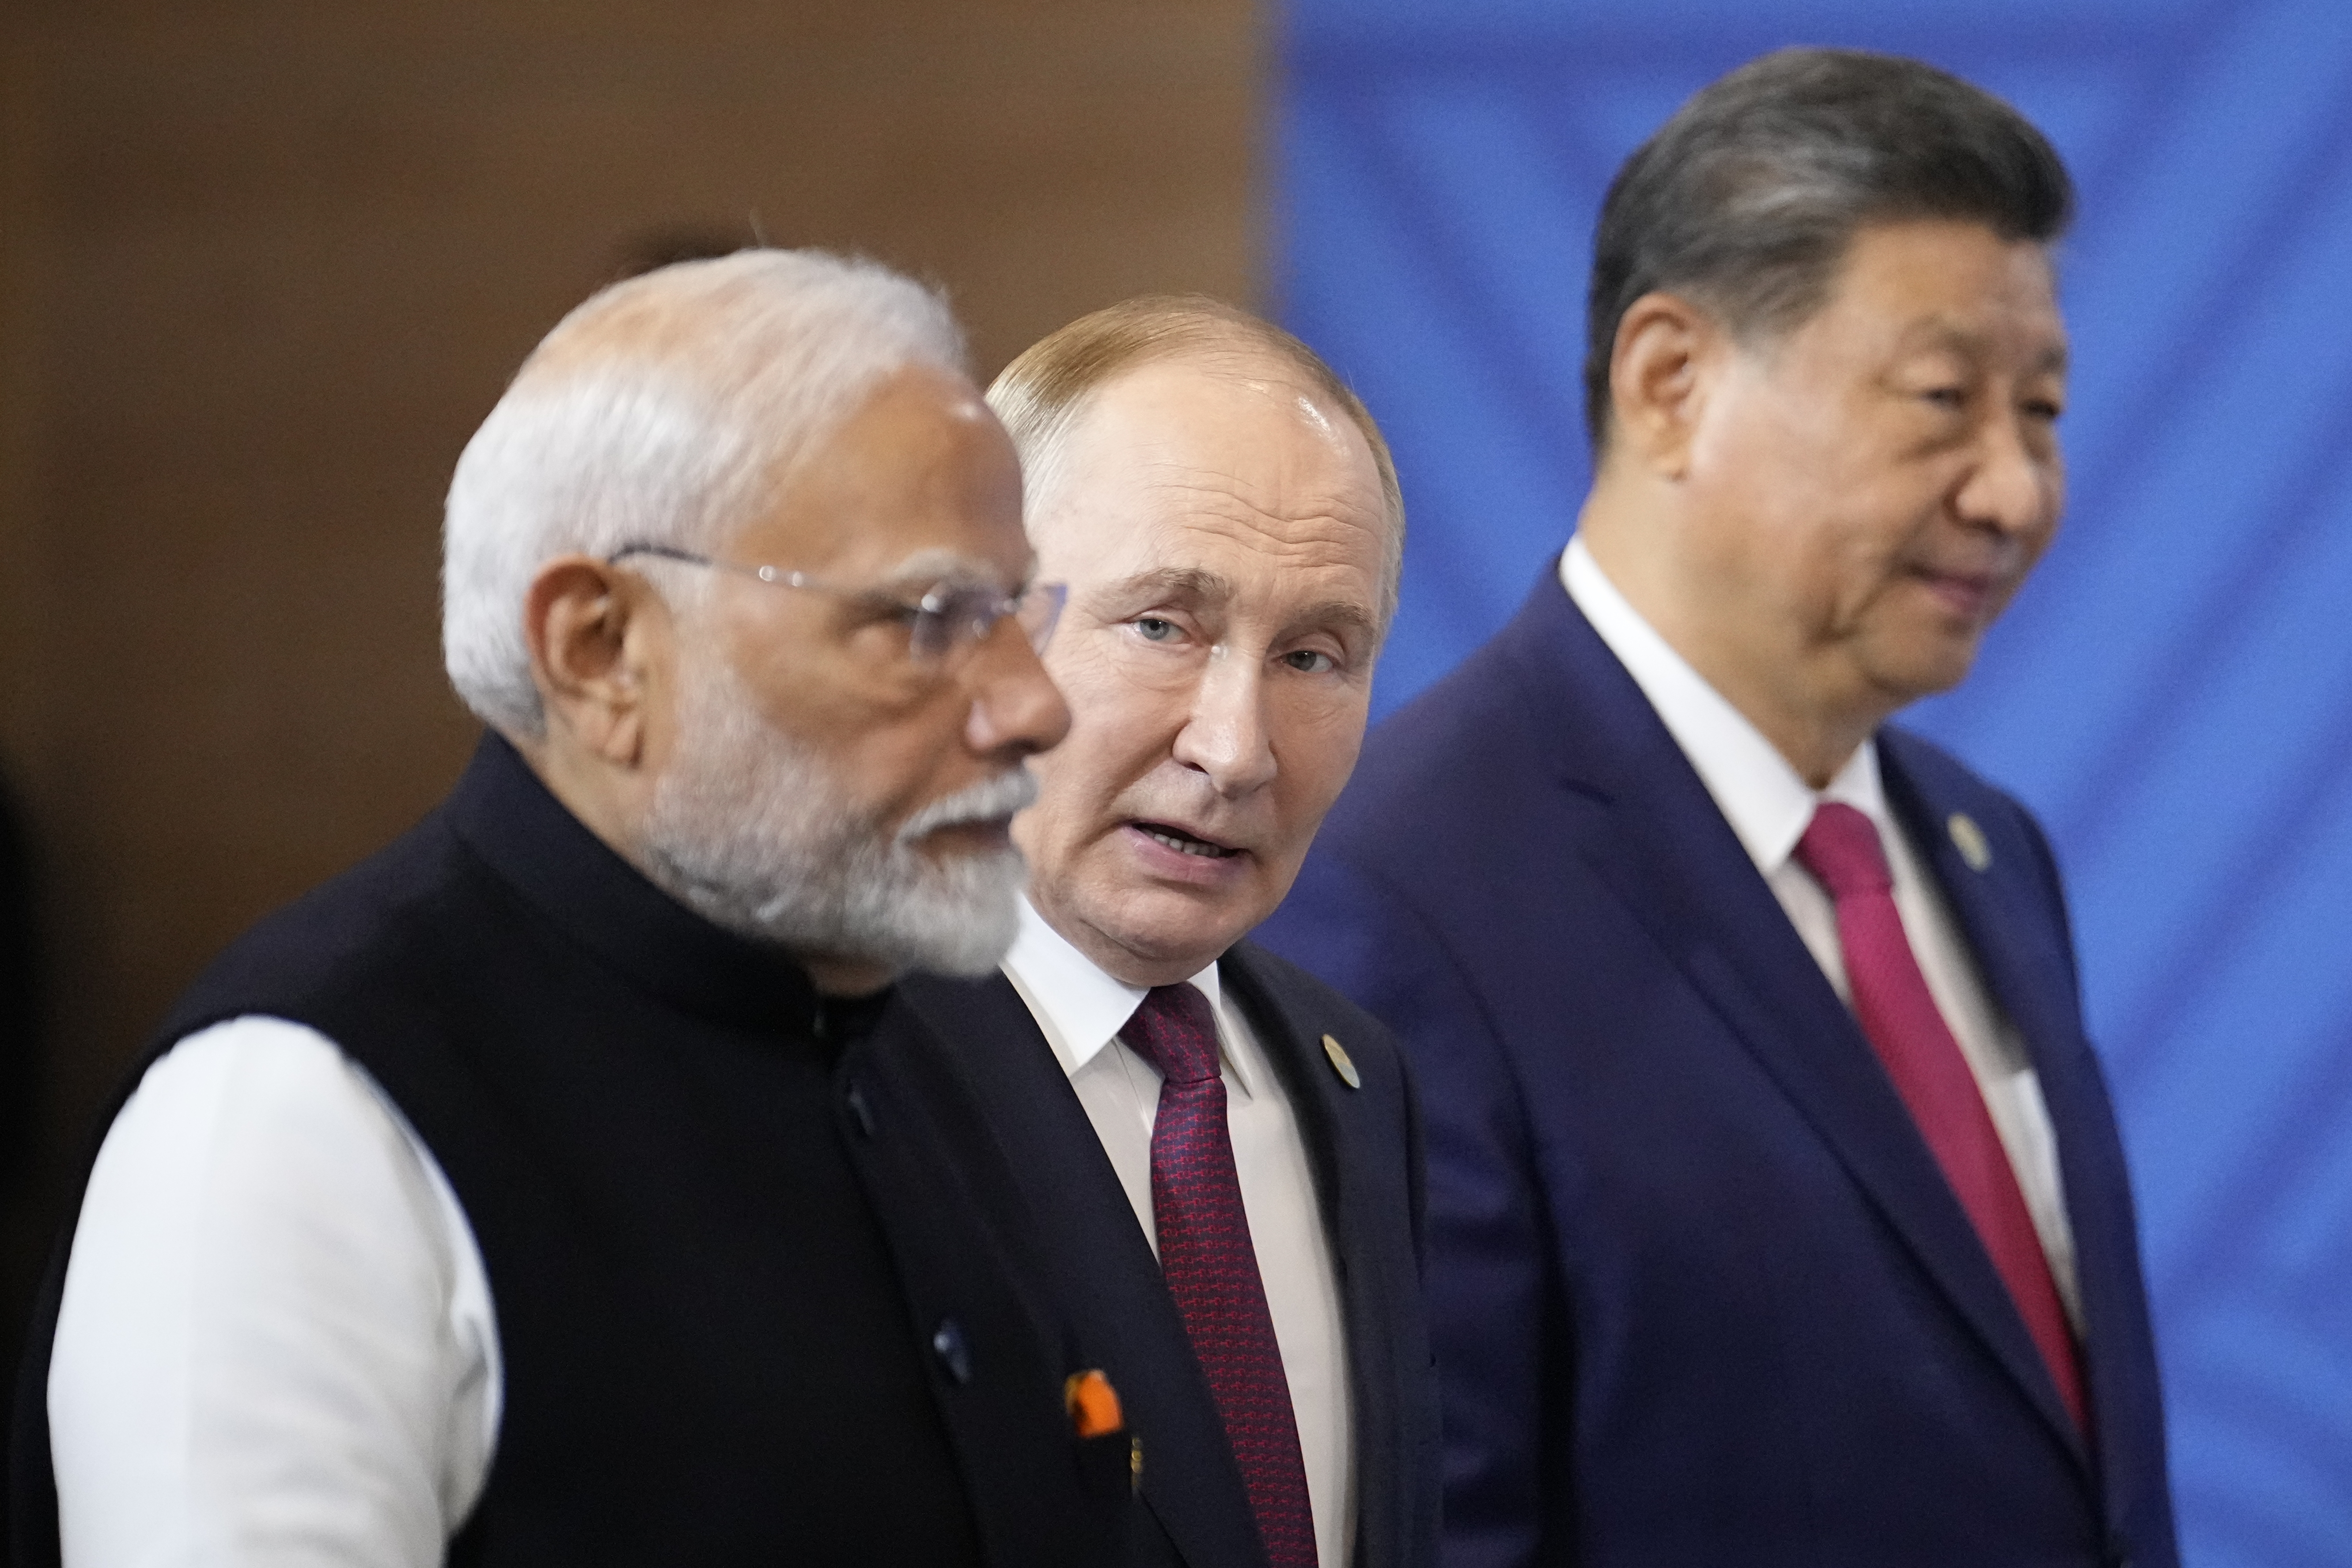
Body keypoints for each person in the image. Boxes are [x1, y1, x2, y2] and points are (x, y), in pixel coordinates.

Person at [11, 250, 1137, 1567]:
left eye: (1014, 612)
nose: (1034, 704)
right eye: (930, 619)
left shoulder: (938, 1045)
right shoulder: (297, 1116)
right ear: (600, 649)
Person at [1258, 49, 2178, 1568]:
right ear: (1671, 382)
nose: (2015, 492)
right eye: (1945, 401)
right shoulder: (1403, 889)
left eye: (2046, 410)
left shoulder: (1984, 849)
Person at [901, 298, 1439, 1568]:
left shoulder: (1354, 1079)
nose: (1235, 748)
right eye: (1162, 626)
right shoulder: (829, 1072)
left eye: (1314, 657)